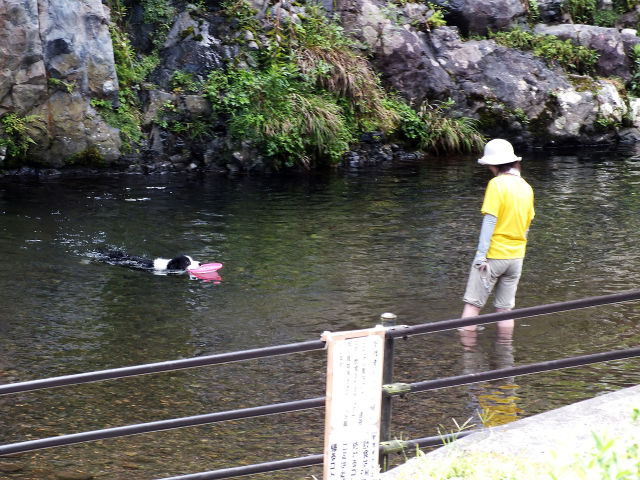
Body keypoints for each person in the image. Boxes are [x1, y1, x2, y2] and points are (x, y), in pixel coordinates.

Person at [459, 138, 535, 344]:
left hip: (493, 256)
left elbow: (490, 221)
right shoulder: (526, 187)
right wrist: (519, 252)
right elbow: (527, 225)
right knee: (504, 310)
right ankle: (505, 355)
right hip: (516, 258)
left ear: (493, 165)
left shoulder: (496, 185)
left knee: (472, 306)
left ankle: (467, 357)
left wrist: (480, 256)